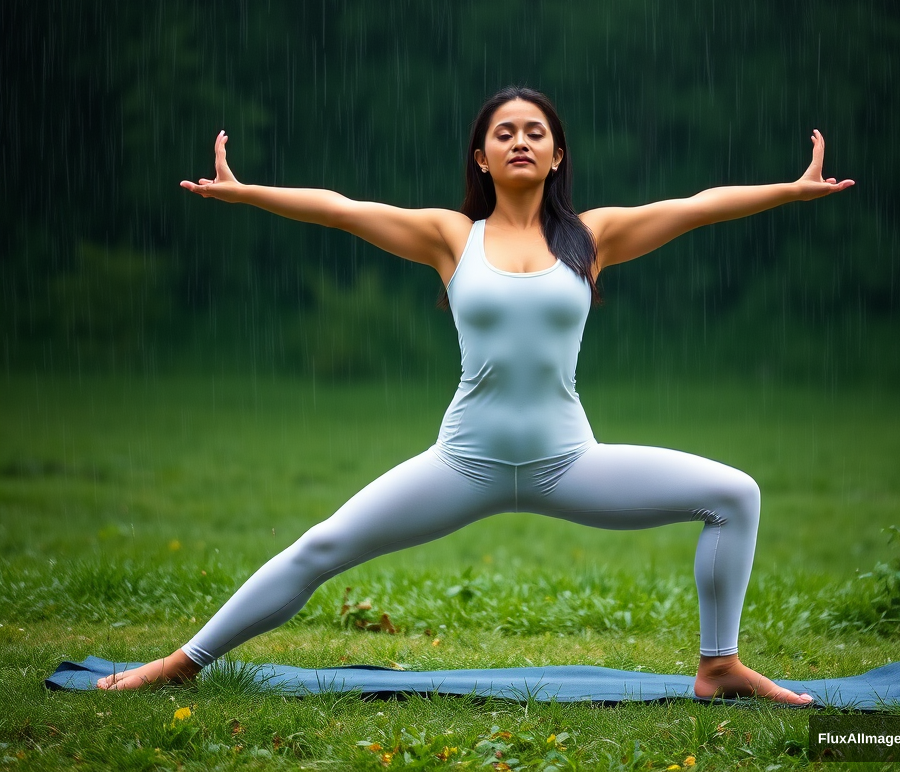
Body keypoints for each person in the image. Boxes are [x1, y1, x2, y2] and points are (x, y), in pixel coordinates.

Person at [97, 86, 854, 702]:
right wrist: (247, 193)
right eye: (503, 133)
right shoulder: (451, 238)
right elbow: (339, 208)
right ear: (481, 157)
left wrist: (790, 192)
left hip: (569, 462)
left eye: (535, 131)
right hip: (464, 463)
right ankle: (183, 663)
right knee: (321, 546)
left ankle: (718, 667)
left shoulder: (594, 238)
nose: (520, 140)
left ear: (558, 156)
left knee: (736, 494)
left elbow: (699, 205)